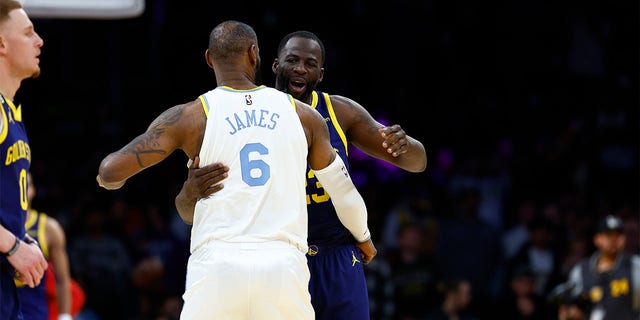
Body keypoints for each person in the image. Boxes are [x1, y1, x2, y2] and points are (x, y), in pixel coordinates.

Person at [97, 20, 376, 319]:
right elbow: (345, 194)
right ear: (255, 54)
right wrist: (363, 236)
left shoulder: (190, 116)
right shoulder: (303, 115)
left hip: (218, 265)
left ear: (208, 58)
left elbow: (110, 171)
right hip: (282, 267)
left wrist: (108, 181)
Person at [175, 30, 427, 320]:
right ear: (274, 65)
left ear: (320, 75)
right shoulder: (242, 116)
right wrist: (191, 191)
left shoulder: (340, 112)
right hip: (280, 259)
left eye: (309, 64)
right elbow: (189, 212)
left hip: (337, 254)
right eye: (292, 60)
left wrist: (404, 145)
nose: (299, 68)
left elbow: (416, 163)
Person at [0, 0, 49, 318]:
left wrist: (19, 238)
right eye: (29, 32)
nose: (39, 40)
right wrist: (12, 246)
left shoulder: (10, 112)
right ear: (2, 44)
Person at [17, 172, 85, 320]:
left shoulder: (49, 228)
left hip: (34, 311)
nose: (20, 189)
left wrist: (65, 316)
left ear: (33, 190)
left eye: (25, 185)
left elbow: (62, 279)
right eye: (16, 184)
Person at [556, 214, 640, 320]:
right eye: (609, 235)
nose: (614, 240)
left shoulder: (635, 265)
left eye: (618, 235)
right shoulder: (581, 270)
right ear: (597, 239)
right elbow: (572, 307)